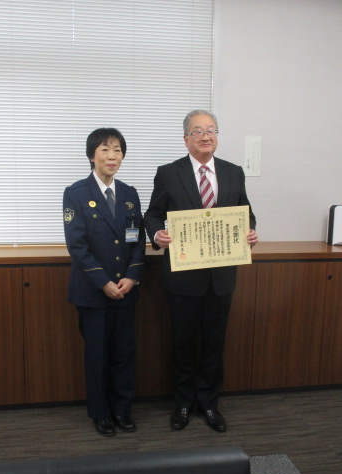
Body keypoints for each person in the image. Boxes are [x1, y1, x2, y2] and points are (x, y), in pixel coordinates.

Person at [144, 110, 258, 433]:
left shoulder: (233, 172)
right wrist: (157, 235)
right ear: (186, 139)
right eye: (198, 131)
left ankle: (208, 403)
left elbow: (246, 214)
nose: (206, 136)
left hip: (221, 277)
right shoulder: (168, 173)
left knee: (214, 343)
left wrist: (250, 231)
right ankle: (182, 403)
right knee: (183, 343)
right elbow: (152, 215)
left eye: (211, 130)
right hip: (182, 276)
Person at [63, 128, 145, 437]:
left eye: (118, 150)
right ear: (91, 156)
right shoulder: (76, 193)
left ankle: (123, 410)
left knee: (124, 353)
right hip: (93, 293)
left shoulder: (129, 194)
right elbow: (77, 246)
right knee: (97, 356)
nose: (112, 156)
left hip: (126, 291)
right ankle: (101, 414)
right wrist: (104, 282)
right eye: (105, 150)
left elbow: (137, 240)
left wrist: (132, 276)